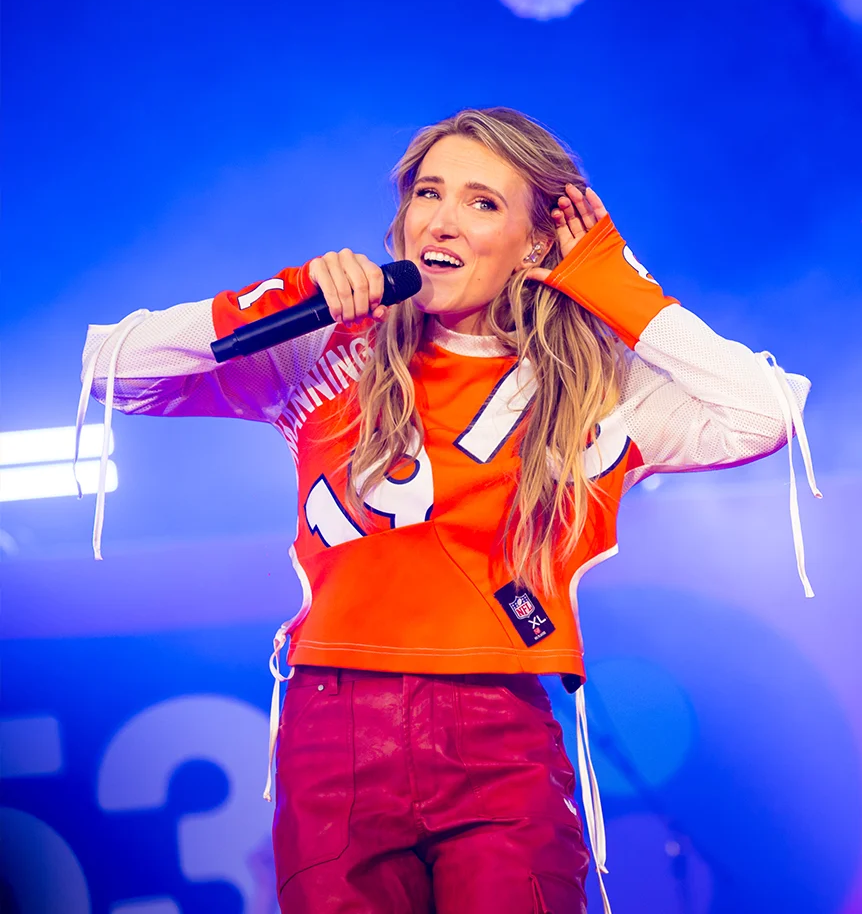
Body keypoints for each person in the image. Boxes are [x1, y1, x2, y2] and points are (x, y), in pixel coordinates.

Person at [76, 108, 816, 912]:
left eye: (482, 202)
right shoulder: (329, 349)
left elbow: (765, 413)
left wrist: (618, 285)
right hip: (336, 733)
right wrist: (283, 297)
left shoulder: (596, 391)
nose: (444, 220)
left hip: (503, 733)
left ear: (537, 246)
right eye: (429, 193)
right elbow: (114, 368)